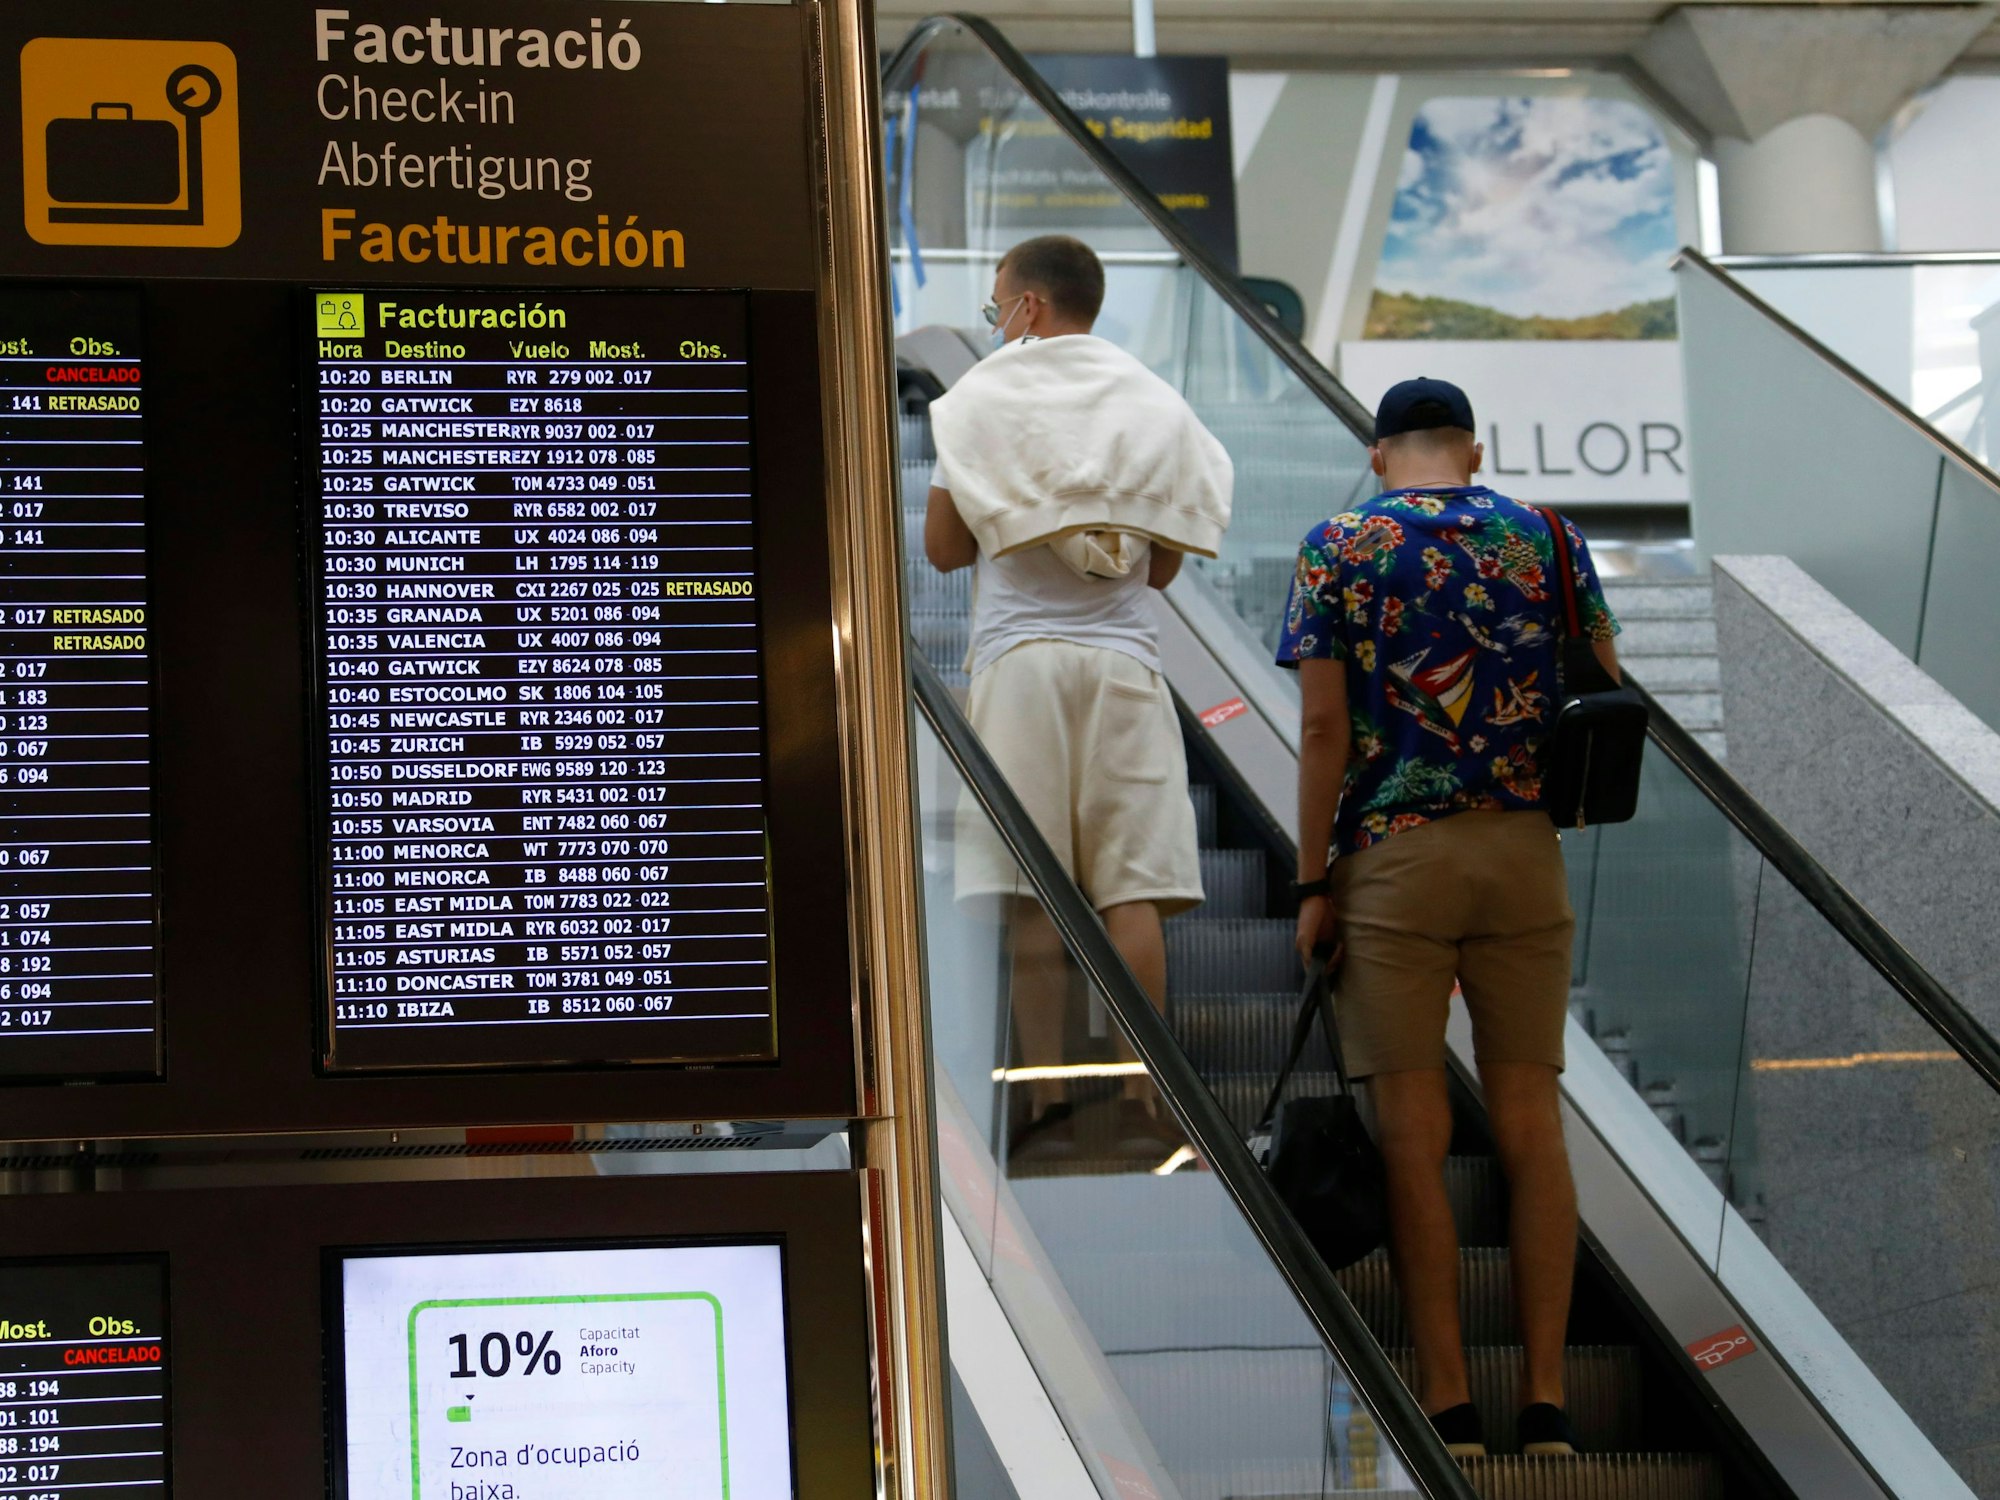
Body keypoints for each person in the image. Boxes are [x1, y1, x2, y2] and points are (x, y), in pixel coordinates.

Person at [1276, 377, 1619, 1459]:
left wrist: (1310, 881)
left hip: (1392, 863)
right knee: (1529, 1119)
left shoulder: (1336, 545)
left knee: (1412, 1138)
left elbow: (1324, 725)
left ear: (1379, 457)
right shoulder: (1547, 541)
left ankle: (1447, 1404)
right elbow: (1603, 687)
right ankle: (1551, 1404)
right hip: (1522, 855)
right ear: (1470, 452)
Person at [924, 234, 1233, 1163]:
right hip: (1126, 669)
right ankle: (1147, 1094)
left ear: (1029, 307)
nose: (995, 323)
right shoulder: (1157, 404)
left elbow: (942, 548)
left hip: (1020, 665)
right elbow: (1170, 559)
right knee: (1131, 889)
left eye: (995, 307)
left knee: (1029, 890)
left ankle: (1045, 1096)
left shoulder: (983, 399)